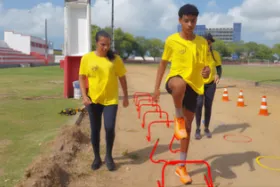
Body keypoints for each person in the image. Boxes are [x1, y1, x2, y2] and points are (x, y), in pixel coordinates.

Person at [152, 4, 210, 185]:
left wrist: (208, 72)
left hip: (194, 87)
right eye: (186, 21)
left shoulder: (201, 42)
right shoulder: (171, 40)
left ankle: (182, 166)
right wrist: (156, 88)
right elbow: (162, 64)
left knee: (187, 129)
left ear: (196, 21)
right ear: (180, 21)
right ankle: (177, 116)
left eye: (193, 21)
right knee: (179, 84)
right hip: (175, 82)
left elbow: (208, 65)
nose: (190, 24)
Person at [79, 30, 129, 172]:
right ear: (96, 43)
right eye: (103, 44)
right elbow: (82, 77)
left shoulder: (115, 59)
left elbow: (122, 78)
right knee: (95, 130)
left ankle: (108, 156)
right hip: (93, 100)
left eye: (108, 44)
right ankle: (96, 157)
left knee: (109, 127)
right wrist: (84, 96)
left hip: (110, 100)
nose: (106, 48)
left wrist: (125, 96)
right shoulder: (87, 58)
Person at [195, 33, 222, 139]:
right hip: (199, 84)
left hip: (211, 84)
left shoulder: (215, 54)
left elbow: (219, 67)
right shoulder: (197, 54)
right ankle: (197, 129)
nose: (208, 44)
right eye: (206, 42)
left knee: (208, 106)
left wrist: (218, 75)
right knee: (198, 105)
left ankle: (206, 128)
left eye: (209, 42)